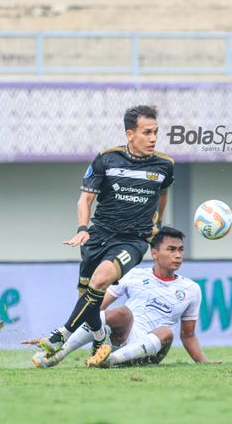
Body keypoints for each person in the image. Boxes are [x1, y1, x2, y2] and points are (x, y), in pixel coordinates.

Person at [22, 105, 174, 361]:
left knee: (100, 280)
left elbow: (162, 195)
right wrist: (82, 229)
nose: (153, 138)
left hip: (133, 241)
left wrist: (155, 228)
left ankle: (61, 335)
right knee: (89, 300)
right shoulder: (106, 159)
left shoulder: (165, 165)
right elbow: (85, 200)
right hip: (98, 236)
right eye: (147, 132)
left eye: (155, 132)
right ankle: (99, 336)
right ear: (129, 134)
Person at [31, 227, 212, 368]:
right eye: (171, 249)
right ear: (154, 253)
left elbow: (188, 336)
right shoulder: (134, 275)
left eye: (181, 249)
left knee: (166, 331)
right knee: (122, 313)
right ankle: (58, 354)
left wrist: (204, 364)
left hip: (150, 352)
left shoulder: (191, 289)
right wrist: (63, 333)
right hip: (119, 340)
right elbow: (94, 307)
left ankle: (108, 361)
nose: (178, 255)